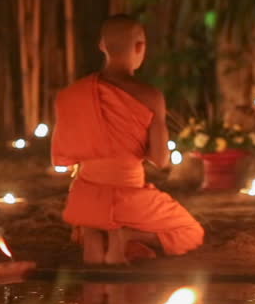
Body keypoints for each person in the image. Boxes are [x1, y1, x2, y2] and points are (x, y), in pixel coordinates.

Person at [52, 15, 204, 264]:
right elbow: (160, 160)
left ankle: (99, 238)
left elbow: (65, 158)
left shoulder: (73, 95)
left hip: (84, 200)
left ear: (102, 45)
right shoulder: (150, 96)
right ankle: (125, 236)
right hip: (129, 199)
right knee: (191, 233)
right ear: (140, 46)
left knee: (90, 231)